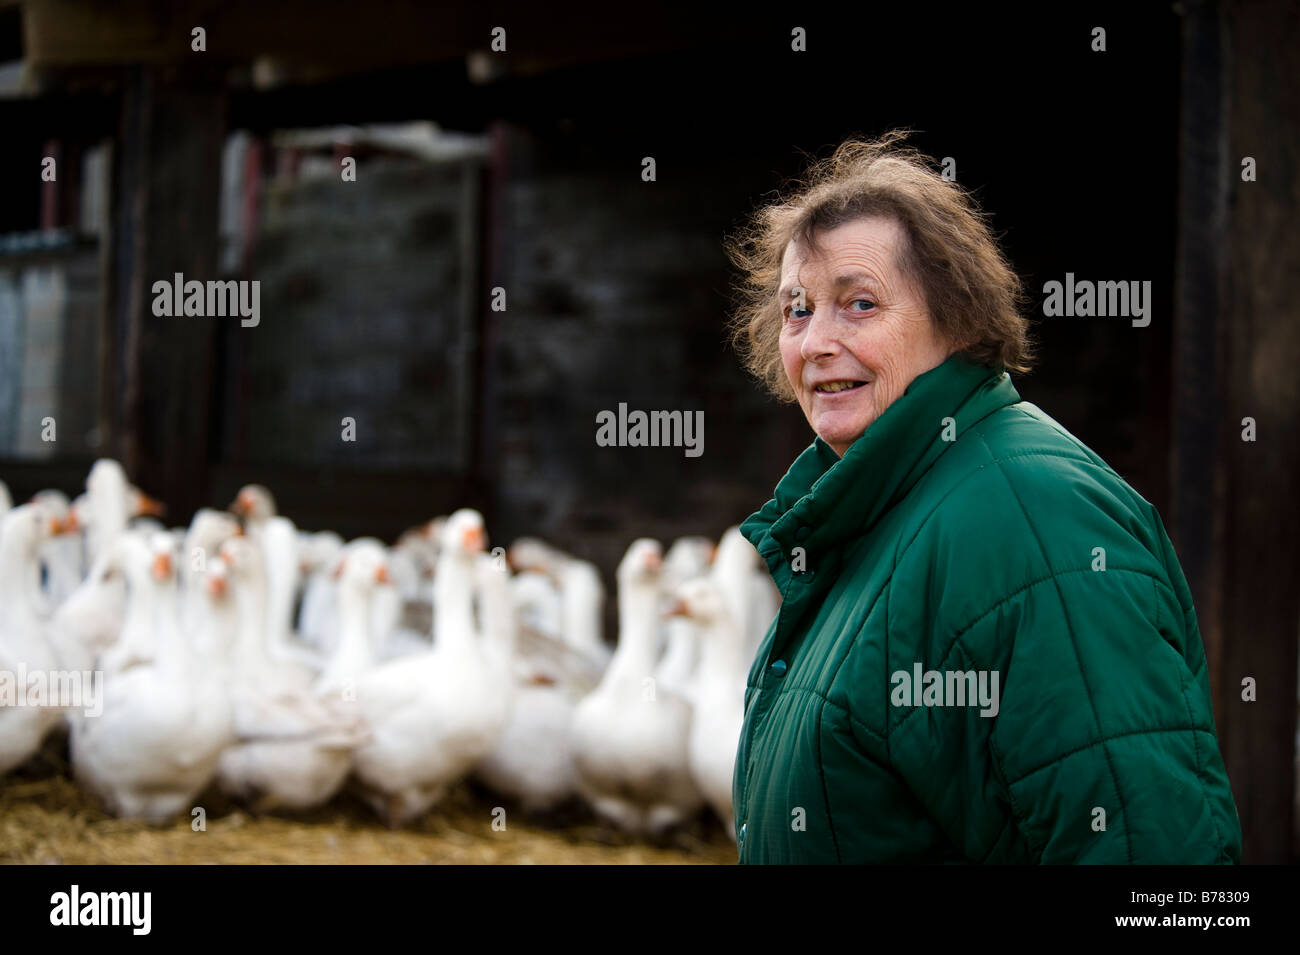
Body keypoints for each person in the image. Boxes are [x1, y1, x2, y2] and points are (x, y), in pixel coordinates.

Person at [725, 132, 1241, 863]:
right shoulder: (875, 511)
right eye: (797, 309)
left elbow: (1150, 850)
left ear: (957, 317)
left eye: (860, 303)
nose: (814, 342)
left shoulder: (1037, 523)